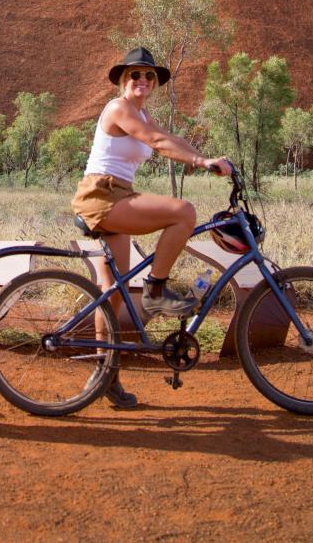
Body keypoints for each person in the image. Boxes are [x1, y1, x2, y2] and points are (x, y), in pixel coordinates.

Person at [72, 48, 232, 409]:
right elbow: (156, 143)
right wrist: (200, 161)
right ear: (122, 81)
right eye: (134, 75)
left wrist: (207, 158)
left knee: (110, 291)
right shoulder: (119, 109)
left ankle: (105, 375)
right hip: (102, 196)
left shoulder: (141, 113)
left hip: (118, 195)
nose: (142, 81)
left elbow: (169, 138)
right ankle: (156, 290)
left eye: (148, 76)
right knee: (183, 213)